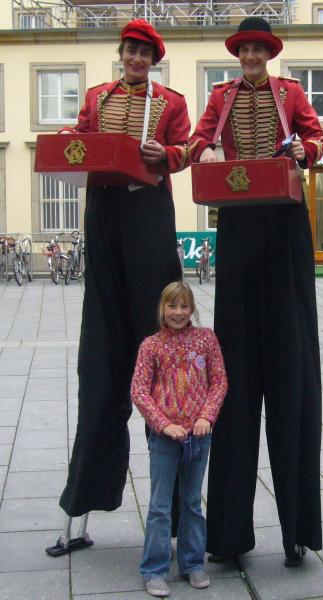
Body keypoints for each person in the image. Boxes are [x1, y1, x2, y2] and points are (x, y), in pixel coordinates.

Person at [48, 19, 192, 555]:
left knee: (161, 337)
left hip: (149, 213)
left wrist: (168, 156)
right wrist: (69, 141)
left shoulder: (171, 102)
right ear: (121, 54)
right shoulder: (97, 95)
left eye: (142, 53)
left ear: (153, 58)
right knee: (101, 361)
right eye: (129, 50)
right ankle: (82, 502)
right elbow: (84, 139)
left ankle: (180, 521)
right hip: (105, 213)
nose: (134, 58)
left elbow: (187, 148)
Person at [189, 17, 323, 567]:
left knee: (292, 366)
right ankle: (228, 534)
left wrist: (301, 154)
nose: (250, 55)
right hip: (240, 223)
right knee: (235, 372)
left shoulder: (290, 93)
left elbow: (316, 137)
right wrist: (206, 154)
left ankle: (296, 529)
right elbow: (198, 141)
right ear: (238, 53)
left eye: (257, 49)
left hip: (286, 224)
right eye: (244, 48)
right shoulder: (220, 96)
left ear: (267, 54)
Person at [131, 281, 227, 597]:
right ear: (163, 308)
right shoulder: (151, 346)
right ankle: (154, 569)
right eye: (172, 306)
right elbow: (140, 391)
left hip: (199, 438)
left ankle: (192, 563)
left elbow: (219, 382)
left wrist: (206, 417)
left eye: (184, 306)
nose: (178, 312)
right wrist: (162, 424)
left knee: (191, 502)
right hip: (165, 440)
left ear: (192, 309)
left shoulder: (206, 340)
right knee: (160, 506)